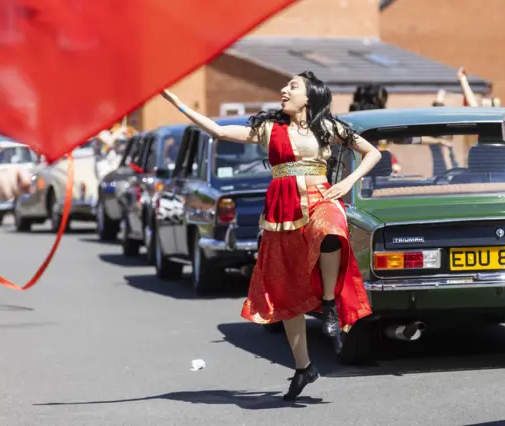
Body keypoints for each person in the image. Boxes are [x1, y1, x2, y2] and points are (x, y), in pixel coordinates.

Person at [161, 71, 381, 401]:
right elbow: (219, 130)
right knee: (286, 287)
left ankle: (330, 302)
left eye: (292, 86)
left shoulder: (328, 127)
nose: (283, 90)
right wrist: (178, 103)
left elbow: (372, 153)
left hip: (321, 197)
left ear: (309, 96)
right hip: (283, 211)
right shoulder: (268, 128)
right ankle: (304, 367)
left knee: (332, 230)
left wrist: (349, 182)